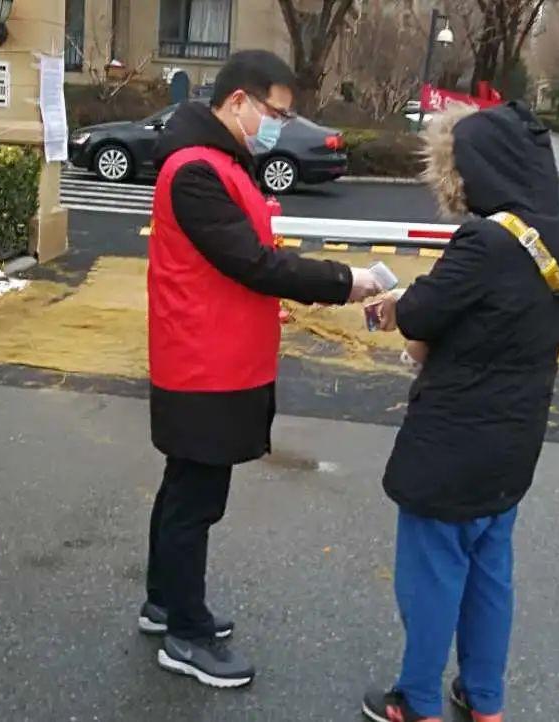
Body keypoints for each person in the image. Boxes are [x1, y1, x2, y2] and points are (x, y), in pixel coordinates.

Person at [141, 49, 383, 689]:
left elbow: (250, 257)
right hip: (203, 363)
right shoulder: (196, 171)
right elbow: (253, 262)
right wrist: (344, 281)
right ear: (237, 102)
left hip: (214, 356)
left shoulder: (220, 162)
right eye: (275, 113)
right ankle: (185, 635)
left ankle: (165, 602)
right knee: (196, 500)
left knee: (184, 488)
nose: (278, 125)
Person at [360, 101, 559, 722]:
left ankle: (417, 701)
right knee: (490, 573)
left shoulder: (485, 239)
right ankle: (484, 699)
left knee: (432, 576)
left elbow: (423, 314)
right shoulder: (558, 233)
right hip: (515, 441)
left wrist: (398, 304)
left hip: (453, 444)